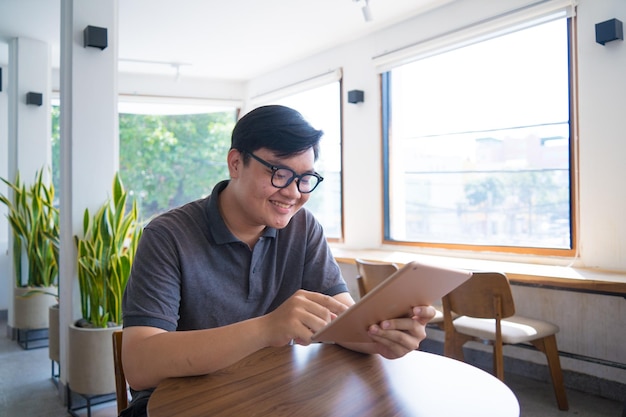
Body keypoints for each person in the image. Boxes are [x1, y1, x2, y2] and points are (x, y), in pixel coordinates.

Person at [120, 104, 436, 416]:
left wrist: (384, 338)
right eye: (279, 173)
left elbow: (343, 323)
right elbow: (139, 365)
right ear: (235, 163)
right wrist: (266, 329)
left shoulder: (303, 227)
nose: (293, 193)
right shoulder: (168, 235)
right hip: (175, 405)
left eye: (305, 178)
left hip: (267, 395)